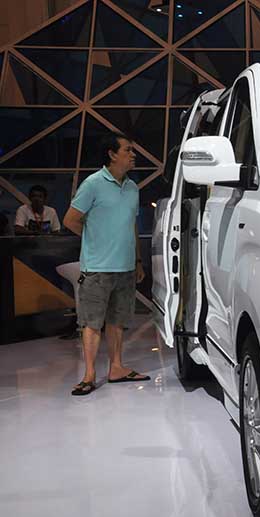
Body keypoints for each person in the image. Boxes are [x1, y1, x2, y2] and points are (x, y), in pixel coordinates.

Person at [63, 133, 148, 396]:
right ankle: (89, 374)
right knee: (91, 322)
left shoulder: (132, 188)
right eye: (128, 150)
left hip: (125, 267)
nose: (133, 154)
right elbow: (70, 219)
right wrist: (94, 238)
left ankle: (117, 368)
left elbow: (132, 225)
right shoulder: (93, 184)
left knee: (117, 320)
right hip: (97, 268)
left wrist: (137, 260)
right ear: (112, 154)